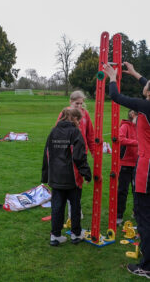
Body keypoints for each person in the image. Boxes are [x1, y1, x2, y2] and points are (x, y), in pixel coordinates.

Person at [103, 61, 150, 278]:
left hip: (146, 169)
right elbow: (147, 83)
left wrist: (113, 77)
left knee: (144, 217)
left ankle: (147, 266)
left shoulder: (147, 106)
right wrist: (133, 73)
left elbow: (117, 97)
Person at [42, 108, 91, 246]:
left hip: (56, 178)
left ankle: (55, 235)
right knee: (75, 206)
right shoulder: (75, 132)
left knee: (57, 207)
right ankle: (76, 234)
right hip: (72, 178)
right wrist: (86, 174)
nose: (80, 123)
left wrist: (46, 176)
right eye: (79, 120)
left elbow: (46, 154)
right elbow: (79, 156)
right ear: (74, 119)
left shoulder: (53, 131)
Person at [57, 90, 95, 220]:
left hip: (81, 154)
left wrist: (94, 152)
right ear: (70, 102)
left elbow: (90, 135)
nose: (79, 106)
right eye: (76, 103)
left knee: (79, 182)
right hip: (67, 155)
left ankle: (76, 209)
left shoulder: (86, 114)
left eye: (81, 103)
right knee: (69, 183)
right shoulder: (64, 114)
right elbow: (57, 132)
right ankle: (72, 212)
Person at [117, 109, 138, 225]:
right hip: (125, 164)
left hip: (138, 164)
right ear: (131, 114)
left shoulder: (142, 126)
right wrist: (137, 142)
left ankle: (137, 212)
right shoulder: (125, 126)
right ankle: (118, 216)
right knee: (122, 191)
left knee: (138, 191)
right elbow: (120, 139)